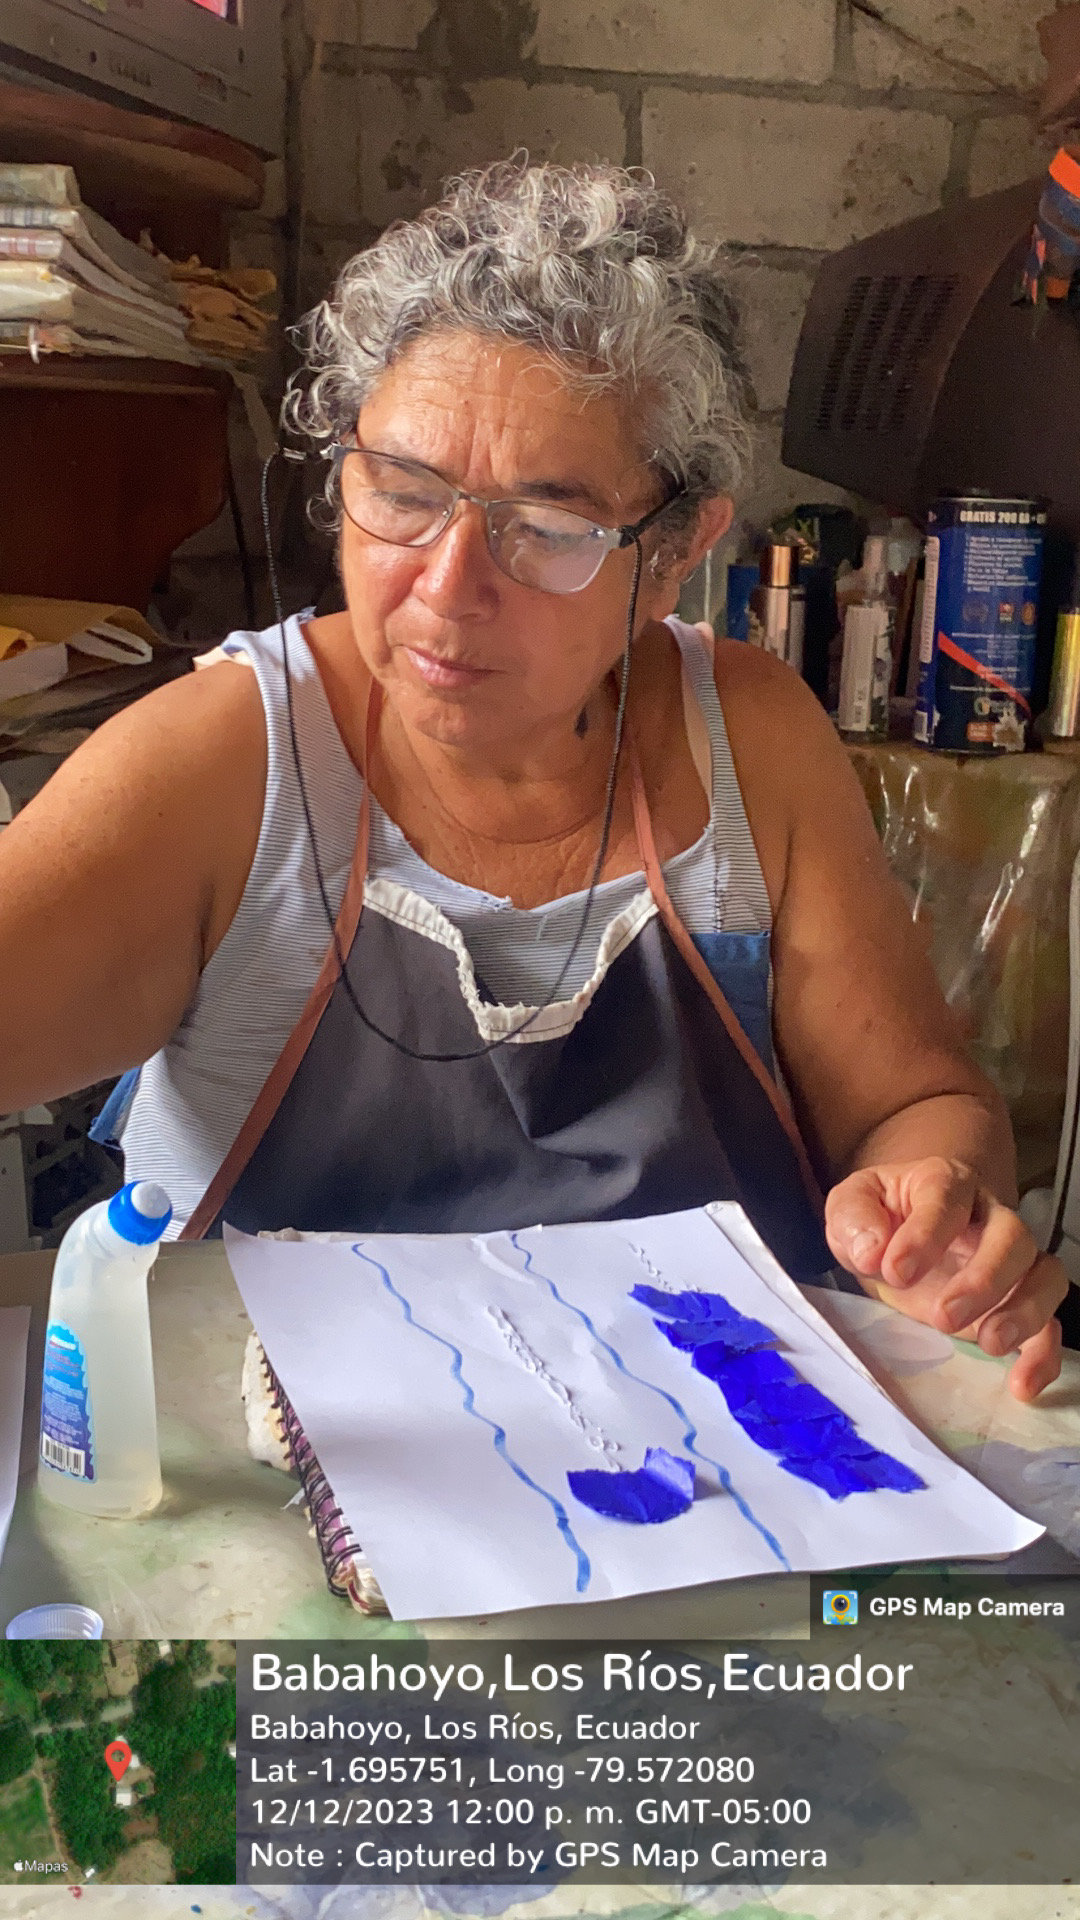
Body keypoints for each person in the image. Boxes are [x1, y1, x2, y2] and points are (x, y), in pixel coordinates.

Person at [0, 159, 1066, 1399]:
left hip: (719, 1454)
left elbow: (918, 1105)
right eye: (401, 495)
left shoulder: (749, 739)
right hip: (286, 1481)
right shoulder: (230, 761)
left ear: (673, 554)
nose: (448, 587)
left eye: (548, 530)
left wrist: (935, 1212)